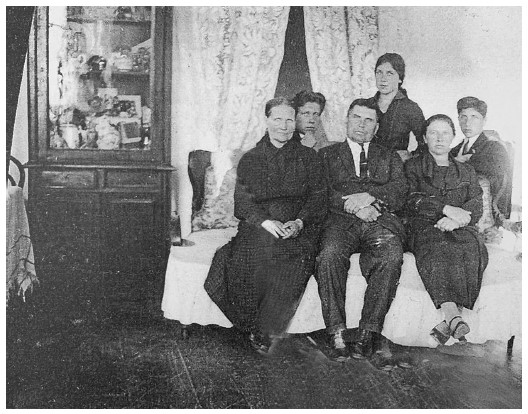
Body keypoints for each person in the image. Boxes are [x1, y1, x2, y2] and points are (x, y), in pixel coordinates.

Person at [204, 97, 327, 355]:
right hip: (260, 225)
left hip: (298, 227)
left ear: (295, 122)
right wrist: (266, 222)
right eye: (277, 119)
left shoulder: (309, 157)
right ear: (267, 120)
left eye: (289, 120)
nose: (284, 125)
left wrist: (299, 222)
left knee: (292, 259)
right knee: (237, 259)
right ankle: (251, 324)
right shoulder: (251, 158)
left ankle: (266, 328)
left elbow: (317, 197)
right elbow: (243, 202)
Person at [316, 98, 407, 362]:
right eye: (356, 118)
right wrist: (354, 207)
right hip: (340, 220)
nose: (362, 124)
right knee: (329, 255)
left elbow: (400, 190)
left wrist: (371, 197)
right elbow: (320, 192)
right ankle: (336, 331)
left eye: (369, 120)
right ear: (347, 120)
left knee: (391, 256)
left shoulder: (389, 156)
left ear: (376, 127)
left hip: (379, 219)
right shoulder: (327, 155)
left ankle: (369, 331)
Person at [405, 114, 489, 345]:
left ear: (453, 137)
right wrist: (444, 209)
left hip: (461, 226)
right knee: (438, 245)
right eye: (433, 133)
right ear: (424, 138)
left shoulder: (466, 171)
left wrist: (457, 221)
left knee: (471, 245)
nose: (439, 138)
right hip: (425, 225)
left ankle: (450, 321)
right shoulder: (413, 166)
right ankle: (453, 315)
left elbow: (475, 204)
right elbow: (410, 200)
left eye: (445, 133)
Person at [450, 96, 512, 219]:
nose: (467, 123)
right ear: (458, 120)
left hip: (487, 214)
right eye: (463, 117)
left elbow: (495, 168)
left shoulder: (494, 147)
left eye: (474, 117)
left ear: (484, 121)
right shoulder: (455, 150)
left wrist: (461, 163)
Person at [370, 53, 426, 161]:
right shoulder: (367, 105)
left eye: (389, 73)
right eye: (379, 72)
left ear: (400, 78)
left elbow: (425, 143)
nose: (383, 79)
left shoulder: (410, 108)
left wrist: (411, 158)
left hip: (396, 167)